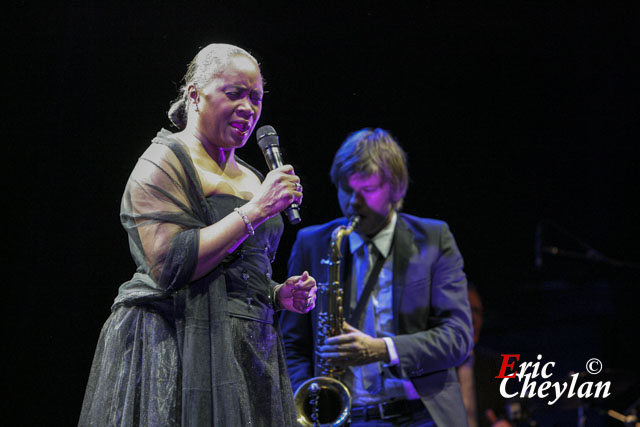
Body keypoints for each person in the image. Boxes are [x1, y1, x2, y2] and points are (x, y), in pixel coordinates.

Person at [79, 43, 317, 426]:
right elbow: (171, 264)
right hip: (179, 344)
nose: (248, 108)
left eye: (255, 97)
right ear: (194, 94)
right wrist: (256, 209)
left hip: (248, 348)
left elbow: (241, 270)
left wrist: (278, 293)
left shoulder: (254, 177)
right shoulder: (164, 161)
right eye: (234, 93)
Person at [280, 128, 474, 426]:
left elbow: (458, 337)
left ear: (396, 189)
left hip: (422, 416)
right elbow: (292, 343)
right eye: (347, 190)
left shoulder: (434, 238)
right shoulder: (312, 243)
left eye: (367, 190)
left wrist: (383, 349)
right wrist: (307, 399)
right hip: (345, 418)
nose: (353, 203)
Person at [457, 282, 511, 427]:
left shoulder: (495, 364)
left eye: (478, 312)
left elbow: (505, 415)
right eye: (469, 310)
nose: (474, 320)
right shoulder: (433, 365)